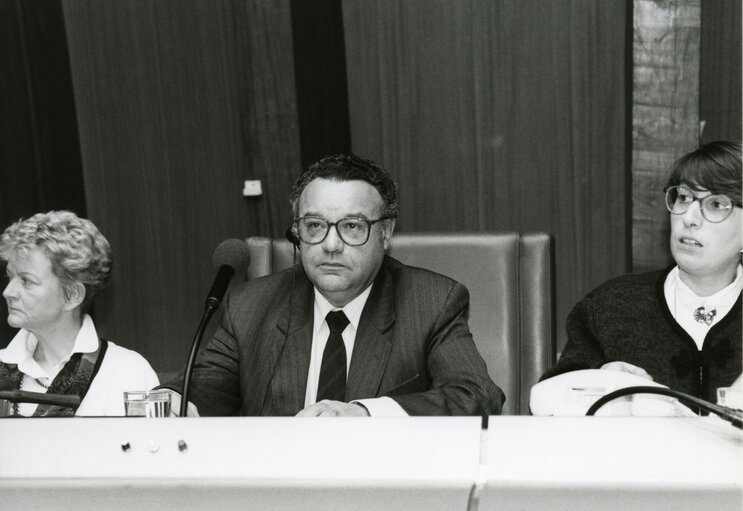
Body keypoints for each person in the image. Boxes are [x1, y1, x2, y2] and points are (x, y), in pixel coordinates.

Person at [162, 154, 504, 416]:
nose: (330, 244)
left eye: (352, 227)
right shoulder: (251, 305)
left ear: (385, 233)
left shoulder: (431, 302)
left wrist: (364, 413)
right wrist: (171, 404)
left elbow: (476, 394)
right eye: (314, 226)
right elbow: (202, 387)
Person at [541, 141, 742, 403]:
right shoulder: (612, 306)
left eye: (716, 204)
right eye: (683, 197)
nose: (689, 217)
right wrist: (599, 383)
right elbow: (544, 405)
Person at [0, 211, 159, 416]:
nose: (8, 292)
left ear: (72, 295)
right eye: (10, 277)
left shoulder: (126, 372)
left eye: (27, 281)